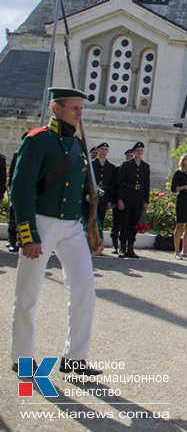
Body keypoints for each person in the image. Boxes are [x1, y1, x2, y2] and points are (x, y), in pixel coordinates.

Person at [10, 87, 104, 375]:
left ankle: (75, 356)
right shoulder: (37, 141)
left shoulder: (77, 146)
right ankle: (22, 358)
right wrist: (28, 235)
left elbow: (87, 194)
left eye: (81, 108)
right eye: (74, 107)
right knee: (28, 293)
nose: (79, 113)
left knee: (84, 287)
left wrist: (94, 232)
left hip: (72, 225)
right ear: (56, 108)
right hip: (41, 221)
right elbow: (20, 188)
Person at [116, 141, 150, 258]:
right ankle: (122, 248)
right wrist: (119, 199)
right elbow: (120, 183)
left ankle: (130, 248)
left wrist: (146, 201)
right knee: (124, 222)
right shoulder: (126, 165)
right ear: (134, 152)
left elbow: (147, 185)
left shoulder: (146, 166)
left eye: (141, 151)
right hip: (127, 196)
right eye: (138, 151)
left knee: (134, 223)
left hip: (138, 198)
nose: (140, 153)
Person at [91, 142, 116, 255]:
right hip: (92, 196)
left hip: (104, 197)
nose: (104, 151)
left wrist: (110, 200)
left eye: (106, 149)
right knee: (90, 220)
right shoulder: (91, 164)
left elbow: (112, 185)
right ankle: (89, 244)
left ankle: (98, 245)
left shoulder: (111, 167)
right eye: (102, 149)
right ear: (98, 150)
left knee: (100, 220)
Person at [109, 149, 132, 254]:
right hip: (118, 200)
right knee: (116, 224)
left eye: (131, 156)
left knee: (126, 224)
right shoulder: (118, 169)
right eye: (128, 156)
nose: (129, 157)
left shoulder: (136, 170)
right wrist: (114, 200)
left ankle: (125, 246)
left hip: (129, 201)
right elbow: (114, 186)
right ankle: (114, 245)